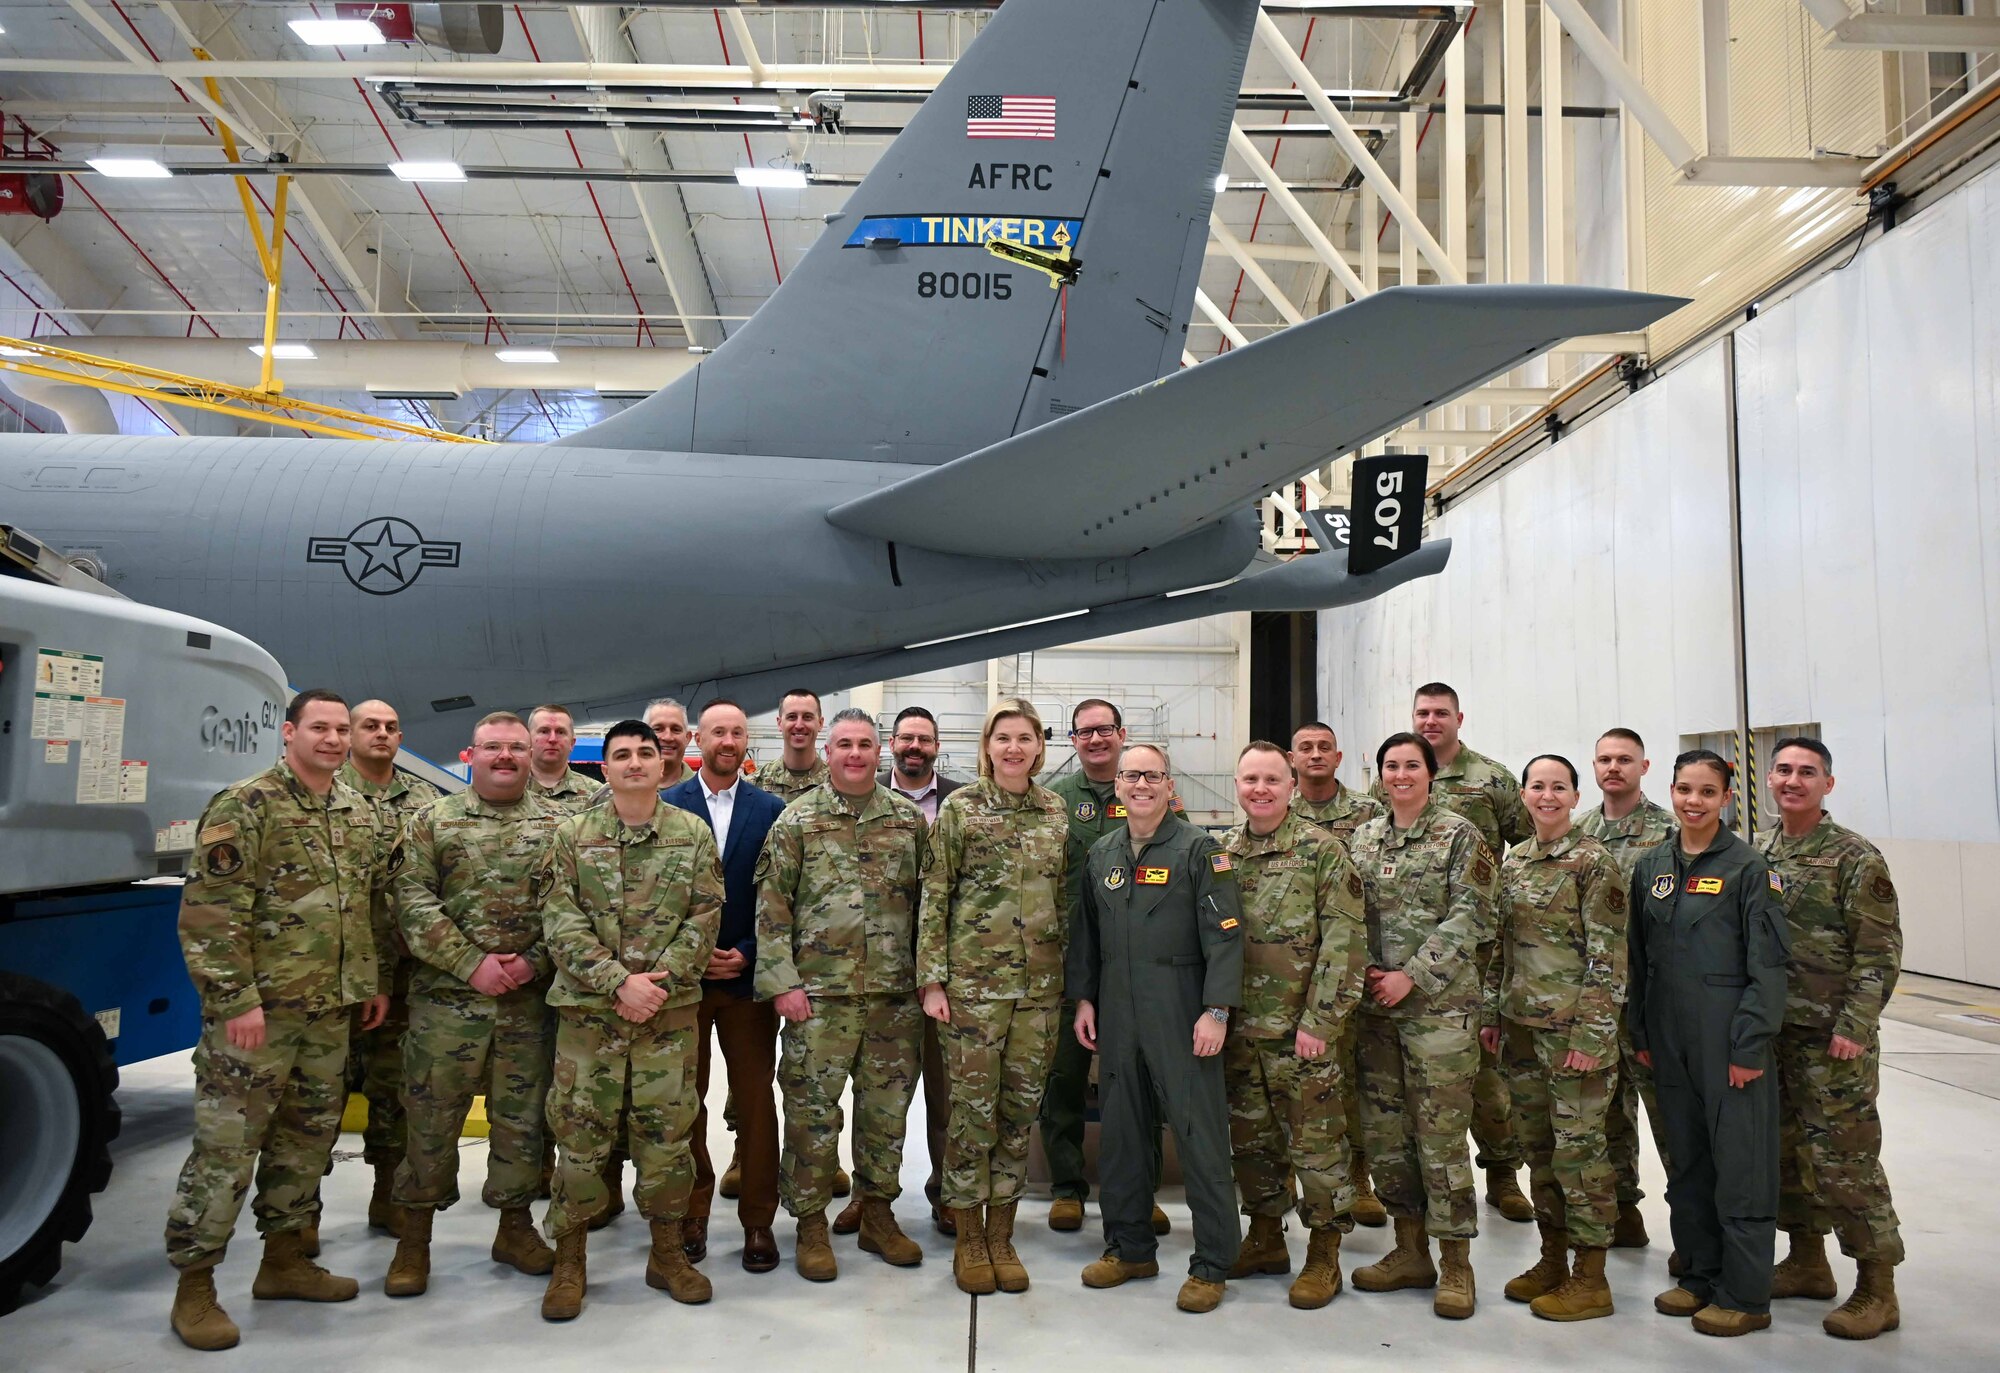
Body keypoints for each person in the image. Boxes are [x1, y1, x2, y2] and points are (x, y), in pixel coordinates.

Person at [165, 690, 391, 1351]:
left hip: (329, 1012)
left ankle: (285, 1260)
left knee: (305, 1143)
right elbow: (211, 911)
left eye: (340, 729)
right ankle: (196, 1283)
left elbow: (360, 905)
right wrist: (235, 1000)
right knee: (226, 1152)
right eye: (319, 727)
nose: (333, 738)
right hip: (257, 1018)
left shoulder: (352, 806)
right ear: (290, 731)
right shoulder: (247, 803)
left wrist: (367, 981)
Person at [537, 720, 725, 1319]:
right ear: (606, 767)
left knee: (667, 1138)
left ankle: (667, 1253)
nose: (636, 763)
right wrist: (619, 983)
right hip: (590, 1015)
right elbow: (559, 919)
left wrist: (653, 987)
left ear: (663, 762)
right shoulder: (572, 834)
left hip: (667, 1018)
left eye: (646, 752)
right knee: (580, 1135)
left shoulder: (691, 833)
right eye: (623, 755)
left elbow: (705, 916)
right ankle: (570, 1258)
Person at [383, 713, 566, 1299]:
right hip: (446, 1005)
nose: (506, 756)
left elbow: (575, 903)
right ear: (471, 754)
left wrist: (534, 961)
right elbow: (410, 901)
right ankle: (414, 1240)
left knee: (522, 1122)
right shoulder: (431, 821)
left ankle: (514, 1229)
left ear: (531, 752)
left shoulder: (561, 824)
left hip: (527, 1003)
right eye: (494, 747)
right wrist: (471, 964)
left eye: (516, 747)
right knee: (431, 1122)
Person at [1069, 744, 1244, 1314]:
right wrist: (1084, 1002)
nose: (1140, 784)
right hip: (1118, 1008)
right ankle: (1130, 1247)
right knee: (1122, 1132)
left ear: (1170, 786)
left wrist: (1216, 1011)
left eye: (1152, 775)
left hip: (1181, 1008)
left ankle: (1214, 1262)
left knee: (1199, 1135)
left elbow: (1225, 937)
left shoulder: (1200, 850)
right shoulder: (1103, 852)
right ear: (1116, 785)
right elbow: (1087, 937)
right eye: (1131, 775)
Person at [756, 707, 929, 1282]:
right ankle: (810, 1224)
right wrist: (783, 985)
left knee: (887, 1114)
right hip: (818, 999)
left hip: (892, 998)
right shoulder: (796, 822)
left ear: (878, 753)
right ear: (828, 753)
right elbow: (772, 909)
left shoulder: (908, 822)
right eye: (844, 744)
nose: (855, 754)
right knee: (811, 1114)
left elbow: (929, 908)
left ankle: (877, 1213)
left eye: (864, 744)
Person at [1630, 751, 1791, 1338]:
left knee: (1741, 1166)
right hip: (1670, 1042)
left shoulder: (1751, 869)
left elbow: (1768, 966)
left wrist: (1749, 1047)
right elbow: (1638, 957)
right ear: (1670, 792)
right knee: (1688, 1164)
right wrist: (1643, 1034)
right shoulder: (1652, 865)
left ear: (1727, 798)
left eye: (1707, 792)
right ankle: (1700, 1274)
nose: (1693, 801)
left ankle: (1746, 1294)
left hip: (1727, 1040)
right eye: (1684, 790)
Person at [919, 698, 1069, 1295]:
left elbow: (1066, 897)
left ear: (1039, 747)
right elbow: (936, 892)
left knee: (1017, 1114)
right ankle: (969, 1236)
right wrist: (931, 978)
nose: (1013, 748)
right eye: (1002, 738)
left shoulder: (1056, 812)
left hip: (1039, 991)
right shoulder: (960, 809)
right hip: (973, 990)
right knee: (970, 1115)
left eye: (1024, 738)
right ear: (987, 746)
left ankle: (1002, 1232)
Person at [1756, 738, 1904, 1340]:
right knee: (1787, 1153)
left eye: (1807, 773)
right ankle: (1807, 1261)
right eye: (1784, 770)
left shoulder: (1852, 856)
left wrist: (1855, 1027)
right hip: (1774, 1033)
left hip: (1831, 1041)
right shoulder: (1759, 850)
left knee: (1845, 1159)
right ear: (1768, 779)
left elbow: (1881, 952)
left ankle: (1877, 1286)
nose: (1793, 781)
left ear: (1828, 785)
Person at [1347, 731, 1496, 1320]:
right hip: (1375, 1011)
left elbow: (1473, 914)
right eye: (1391, 765)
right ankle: (1410, 1251)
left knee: (1439, 1137)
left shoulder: (1461, 835)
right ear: (1380, 775)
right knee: (1385, 1135)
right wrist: (1363, 971)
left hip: (1439, 1010)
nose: (1401, 774)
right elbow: (1344, 911)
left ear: (1431, 773)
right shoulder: (1362, 838)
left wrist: (1412, 974)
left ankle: (1457, 1263)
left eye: (1412, 765)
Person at [1220, 742, 1368, 1311]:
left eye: (1271, 780)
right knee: (1252, 1142)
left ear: (1290, 785)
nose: (1260, 789)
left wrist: (1321, 1021)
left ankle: (1324, 1253)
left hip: (1300, 1032)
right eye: (1250, 779)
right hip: (1239, 1030)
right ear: (1237, 784)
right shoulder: (1222, 852)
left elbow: (1345, 940)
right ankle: (1264, 1239)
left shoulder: (1321, 850)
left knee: (1317, 1147)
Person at [1480, 754, 1627, 1322]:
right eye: (1537, 786)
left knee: (1580, 1155)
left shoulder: (1593, 862)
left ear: (1574, 795)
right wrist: (1494, 1014)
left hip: (1573, 1037)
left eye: (1558, 787)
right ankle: (1553, 1257)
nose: (1547, 796)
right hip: (1522, 1035)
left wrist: (1591, 1035)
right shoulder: (1514, 860)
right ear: (1522, 795)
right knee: (1539, 1150)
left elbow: (1608, 958)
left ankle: (1591, 1277)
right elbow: (1501, 946)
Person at [1399, 682, 1533, 1223]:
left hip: (1475, 948)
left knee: (1485, 1073)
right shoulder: (1398, 771)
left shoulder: (1491, 779)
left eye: (1440, 713)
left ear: (1459, 717)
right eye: (1422, 713)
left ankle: (1502, 1173)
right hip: (1409, 951)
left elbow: (1524, 849)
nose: (1431, 721)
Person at [664, 700, 787, 1273]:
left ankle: (759, 1221)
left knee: (757, 1103)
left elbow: (786, 898)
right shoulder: (669, 807)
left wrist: (748, 954)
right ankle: (691, 1214)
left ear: (746, 742)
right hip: (684, 984)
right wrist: (692, 957)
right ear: (698, 738)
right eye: (718, 731)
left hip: (746, 980)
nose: (728, 740)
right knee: (685, 1104)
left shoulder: (773, 810)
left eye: (738, 732)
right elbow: (656, 903)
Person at [1042, 699, 1170, 1237]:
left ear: (1122, 733)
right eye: (1084, 732)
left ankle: (1143, 1189)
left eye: (1104, 730)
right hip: (1069, 958)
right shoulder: (1053, 801)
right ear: (1072, 741)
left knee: (1140, 1080)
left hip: (1134, 965)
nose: (1095, 739)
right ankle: (1068, 1187)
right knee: (1065, 1075)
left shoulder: (1153, 793)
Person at [330, 699, 442, 1240]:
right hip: (331, 968)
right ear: (350, 735)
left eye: (391, 727)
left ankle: (386, 1193)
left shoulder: (426, 800)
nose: (381, 734)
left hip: (400, 973)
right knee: (316, 1095)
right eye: (369, 726)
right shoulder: (327, 792)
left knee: (394, 1087)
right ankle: (295, 1217)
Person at [854, 705, 961, 1240]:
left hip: (950, 977)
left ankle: (947, 1195)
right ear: (890, 745)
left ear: (937, 747)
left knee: (946, 1095)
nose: (915, 747)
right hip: (884, 976)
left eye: (925, 739)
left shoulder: (962, 801)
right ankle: (867, 1196)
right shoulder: (862, 799)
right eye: (906, 738)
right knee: (878, 1096)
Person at [1576, 727, 1676, 1248]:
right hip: (1596, 1003)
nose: (1613, 768)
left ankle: (1692, 1229)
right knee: (1607, 1115)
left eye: (1624, 759)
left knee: (1670, 1115)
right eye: (1604, 759)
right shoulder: (1578, 830)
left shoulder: (1670, 832)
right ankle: (1622, 1214)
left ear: (1644, 766)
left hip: (1650, 1000)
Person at [1287, 721, 1387, 1228]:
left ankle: (1360, 1178)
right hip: (1293, 968)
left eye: (1324, 747)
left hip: (1354, 964)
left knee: (1354, 1079)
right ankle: (1290, 1184)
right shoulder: (1282, 810)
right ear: (1292, 758)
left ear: (1339, 756)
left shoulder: (1368, 813)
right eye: (1306, 747)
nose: (1315, 754)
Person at [758, 687, 833, 804]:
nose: (799, 725)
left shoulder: (837, 783)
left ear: (820, 723)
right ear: (779, 723)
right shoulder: (755, 784)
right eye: (792, 717)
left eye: (807, 717)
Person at [527, 704, 600, 814]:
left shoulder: (596, 795)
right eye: (544, 731)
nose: (552, 739)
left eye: (560, 732)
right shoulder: (506, 789)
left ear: (572, 743)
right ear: (528, 740)